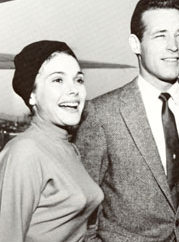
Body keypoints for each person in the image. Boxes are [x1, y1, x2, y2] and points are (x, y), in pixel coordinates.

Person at [75, 0, 179, 241]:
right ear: (135, 44)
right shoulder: (101, 114)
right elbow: (82, 211)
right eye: (160, 35)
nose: (174, 46)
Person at [0, 40, 104, 241]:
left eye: (79, 80)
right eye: (58, 80)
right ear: (32, 95)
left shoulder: (68, 148)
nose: (73, 90)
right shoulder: (25, 152)